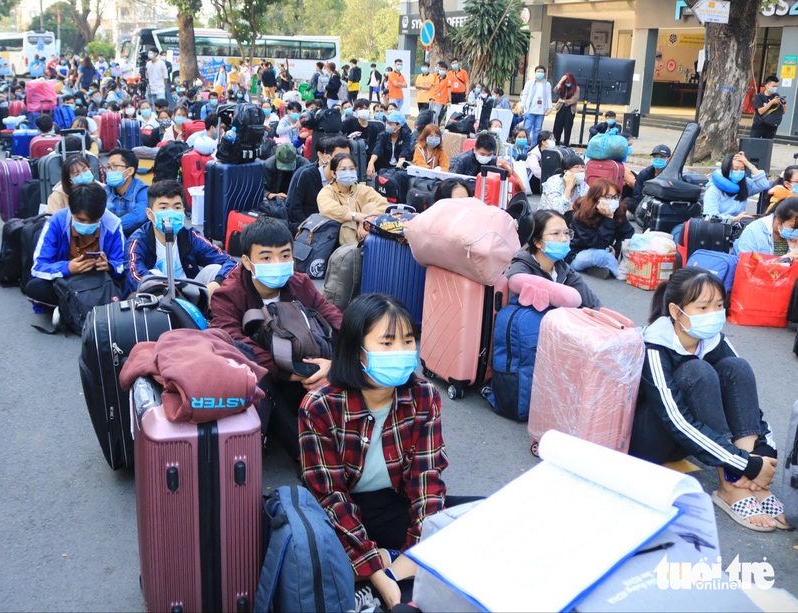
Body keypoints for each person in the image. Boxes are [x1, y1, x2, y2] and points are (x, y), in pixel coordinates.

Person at [300, 293, 478, 608]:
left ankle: (391, 567)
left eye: (409, 341)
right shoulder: (321, 406)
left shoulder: (423, 395)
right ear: (357, 352)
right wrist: (380, 574)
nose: (402, 352)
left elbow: (426, 479)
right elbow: (330, 497)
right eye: (387, 343)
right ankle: (374, 573)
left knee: (486, 515)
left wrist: (416, 553)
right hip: (343, 514)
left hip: (394, 504)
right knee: (315, 552)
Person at [629, 267, 786, 531]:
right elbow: (676, 420)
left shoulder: (713, 339)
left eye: (718, 305)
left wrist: (762, 453)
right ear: (676, 311)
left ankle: (748, 482)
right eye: (703, 308)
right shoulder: (654, 346)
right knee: (697, 371)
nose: (713, 314)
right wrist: (745, 463)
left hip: (694, 440)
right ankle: (731, 485)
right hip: (651, 440)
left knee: (737, 367)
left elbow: (745, 400)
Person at [209, 217, 342, 456]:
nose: (278, 263)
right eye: (267, 257)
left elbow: (334, 319)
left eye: (285, 255)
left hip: (311, 365)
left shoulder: (301, 284)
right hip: (270, 376)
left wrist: (335, 365)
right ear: (248, 262)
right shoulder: (229, 295)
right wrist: (295, 372)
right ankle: (306, 456)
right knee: (267, 390)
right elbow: (234, 342)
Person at [125, 180, 235, 296]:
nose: (171, 213)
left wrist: (216, 283)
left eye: (177, 207)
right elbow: (135, 276)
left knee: (215, 270)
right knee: (151, 277)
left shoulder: (190, 236)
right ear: (150, 214)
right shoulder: (137, 241)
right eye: (163, 208)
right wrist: (169, 291)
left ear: (183, 211)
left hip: (190, 295)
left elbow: (230, 262)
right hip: (156, 299)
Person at [27, 183, 125, 307]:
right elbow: (38, 267)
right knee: (35, 287)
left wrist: (110, 267)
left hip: (100, 281)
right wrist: (67, 268)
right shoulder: (56, 222)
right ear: (71, 211)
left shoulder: (113, 224)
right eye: (81, 220)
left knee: (127, 283)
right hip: (67, 282)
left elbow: (122, 264)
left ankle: (70, 308)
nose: (87, 224)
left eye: (94, 220)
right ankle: (82, 306)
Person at [506, 210, 602, 309]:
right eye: (556, 233)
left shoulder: (564, 270)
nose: (564, 239)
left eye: (566, 233)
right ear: (538, 242)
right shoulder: (520, 268)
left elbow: (594, 305)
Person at [566, 179, 633, 280]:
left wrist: (616, 249)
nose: (612, 200)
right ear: (596, 198)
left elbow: (628, 234)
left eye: (615, 197)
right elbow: (597, 244)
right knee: (603, 256)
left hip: (607, 249)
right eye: (608, 197)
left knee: (635, 243)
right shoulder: (581, 215)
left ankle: (601, 268)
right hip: (579, 253)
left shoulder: (618, 211)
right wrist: (609, 218)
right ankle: (617, 271)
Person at [318, 153, 390, 245]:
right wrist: (357, 216)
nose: (348, 172)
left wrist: (367, 221)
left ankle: (370, 251)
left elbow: (383, 205)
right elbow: (328, 209)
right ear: (333, 173)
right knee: (348, 223)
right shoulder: (327, 191)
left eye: (351, 169)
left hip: (365, 235)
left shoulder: (364, 190)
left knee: (371, 206)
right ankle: (353, 255)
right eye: (343, 169)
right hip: (337, 241)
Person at [288, 134, 351, 233]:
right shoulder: (306, 175)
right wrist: (309, 226)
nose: (344, 161)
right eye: (339, 157)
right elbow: (293, 208)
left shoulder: (347, 178)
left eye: (347, 157)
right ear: (327, 157)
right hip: (308, 229)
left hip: (335, 229)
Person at [701, 151, 769, 222]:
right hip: (720, 229)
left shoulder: (744, 184)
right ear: (727, 169)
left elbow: (764, 184)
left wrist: (748, 164)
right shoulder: (713, 190)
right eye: (735, 169)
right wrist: (734, 219)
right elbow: (710, 217)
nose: (739, 172)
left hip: (739, 226)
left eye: (742, 169)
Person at [103, 148, 149, 236]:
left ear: (130, 171)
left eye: (115, 166)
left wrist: (109, 227)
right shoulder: (105, 191)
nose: (109, 171)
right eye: (108, 167)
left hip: (138, 241)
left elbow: (138, 217)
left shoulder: (142, 190)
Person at [733, 196, 798, 256]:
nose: (796, 232)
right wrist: (783, 261)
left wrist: (794, 249)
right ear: (779, 220)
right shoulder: (754, 231)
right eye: (793, 227)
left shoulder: (794, 237)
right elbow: (746, 263)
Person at [367, 111, 412, 177]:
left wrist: (398, 168)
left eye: (390, 124)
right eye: (387, 122)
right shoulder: (383, 135)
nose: (387, 125)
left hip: (400, 167)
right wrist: (371, 162)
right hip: (385, 167)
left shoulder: (406, 135)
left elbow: (404, 151)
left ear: (399, 126)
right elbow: (377, 149)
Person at [517, 66, 553, 146]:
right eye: (538, 71)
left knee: (537, 130)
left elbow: (548, 96)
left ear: (544, 73)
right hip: (530, 110)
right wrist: (521, 106)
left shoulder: (547, 84)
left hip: (540, 111)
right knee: (527, 128)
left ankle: (534, 146)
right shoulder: (529, 83)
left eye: (541, 72)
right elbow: (525, 95)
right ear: (535, 72)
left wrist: (549, 108)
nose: (540, 73)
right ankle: (524, 145)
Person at [750, 75, 787, 139]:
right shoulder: (759, 96)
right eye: (773, 86)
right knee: (753, 143)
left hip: (771, 126)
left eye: (776, 86)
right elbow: (760, 111)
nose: (775, 88)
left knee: (767, 146)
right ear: (767, 85)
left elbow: (784, 111)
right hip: (759, 124)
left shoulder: (776, 95)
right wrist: (771, 102)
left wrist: (782, 103)